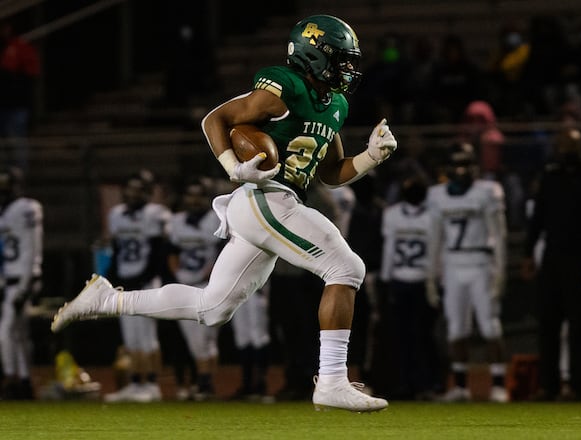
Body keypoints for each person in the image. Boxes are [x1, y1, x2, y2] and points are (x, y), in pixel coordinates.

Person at [51, 14, 397, 413]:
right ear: (313, 55)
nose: (348, 69)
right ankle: (332, 380)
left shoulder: (335, 104)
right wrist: (234, 167)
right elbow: (215, 119)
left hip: (277, 203)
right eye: (340, 59)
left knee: (212, 308)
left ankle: (107, 300)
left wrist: (371, 156)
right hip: (265, 195)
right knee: (346, 268)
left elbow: (331, 173)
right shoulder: (284, 87)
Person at [522, 128, 581, 402]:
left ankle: (578, 386)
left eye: (569, 147)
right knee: (548, 325)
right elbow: (538, 219)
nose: (565, 152)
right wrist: (528, 254)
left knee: (579, 327)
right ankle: (548, 386)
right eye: (561, 146)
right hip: (553, 258)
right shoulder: (550, 178)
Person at [425, 142, 509, 403]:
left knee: (490, 327)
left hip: (481, 262)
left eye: (466, 164)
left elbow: (499, 234)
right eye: (457, 165)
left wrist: (501, 270)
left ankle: (498, 385)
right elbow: (435, 237)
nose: (462, 170)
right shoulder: (437, 195)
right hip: (452, 263)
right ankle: (461, 386)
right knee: (456, 330)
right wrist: (431, 275)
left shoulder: (488, 191)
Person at [102, 171, 171, 403]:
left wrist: (143, 278)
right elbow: (116, 250)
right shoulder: (117, 214)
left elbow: (157, 253)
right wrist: (110, 279)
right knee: (130, 337)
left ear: (148, 192)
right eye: (130, 189)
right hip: (125, 281)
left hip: (145, 282)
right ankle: (134, 383)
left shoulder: (155, 214)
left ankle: (151, 384)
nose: (133, 194)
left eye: (139, 189)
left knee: (146, 336)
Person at [380, 176, 442, 400]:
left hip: (419, 281)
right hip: (405, 281)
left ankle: (424, 382)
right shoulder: (395, 214)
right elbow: (389, 248)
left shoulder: (431, 216)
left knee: (421, 335)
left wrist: (386, 279)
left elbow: (435, 251)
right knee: (405, 336)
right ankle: (409, 382)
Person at [167, 177, 223, 400]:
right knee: (197, 340)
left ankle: (206, 384)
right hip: (186, 284)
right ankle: (205, 384)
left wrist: (207, 274)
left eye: (199, 195)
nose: (194, 200)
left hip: (208, 284)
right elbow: (171, 252)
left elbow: (222, 253)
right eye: (191, 195)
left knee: (206, 339)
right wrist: (178, 275)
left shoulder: (215, 219)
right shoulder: (177, 221)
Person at [0, 167, 42, 399]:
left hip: (22, 278)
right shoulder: (5, 211)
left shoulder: (26, 207)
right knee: (19, 334)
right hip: (9, 279)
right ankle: (24, 382)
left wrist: (25, 285)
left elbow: (30, 248)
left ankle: (11, 379)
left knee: (6, 332)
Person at [0, 21, 40, 171]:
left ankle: (20, 173)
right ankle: (6, 173)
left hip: (17, 105)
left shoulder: (19, 46)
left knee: (17, 140)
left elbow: (32, 73)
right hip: (2, 104)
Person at [230, 281, 272, 402]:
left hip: (256, 290)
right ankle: (247, 384)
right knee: (242, 338)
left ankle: (260, 384)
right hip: (237, 292)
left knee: (258, 337)